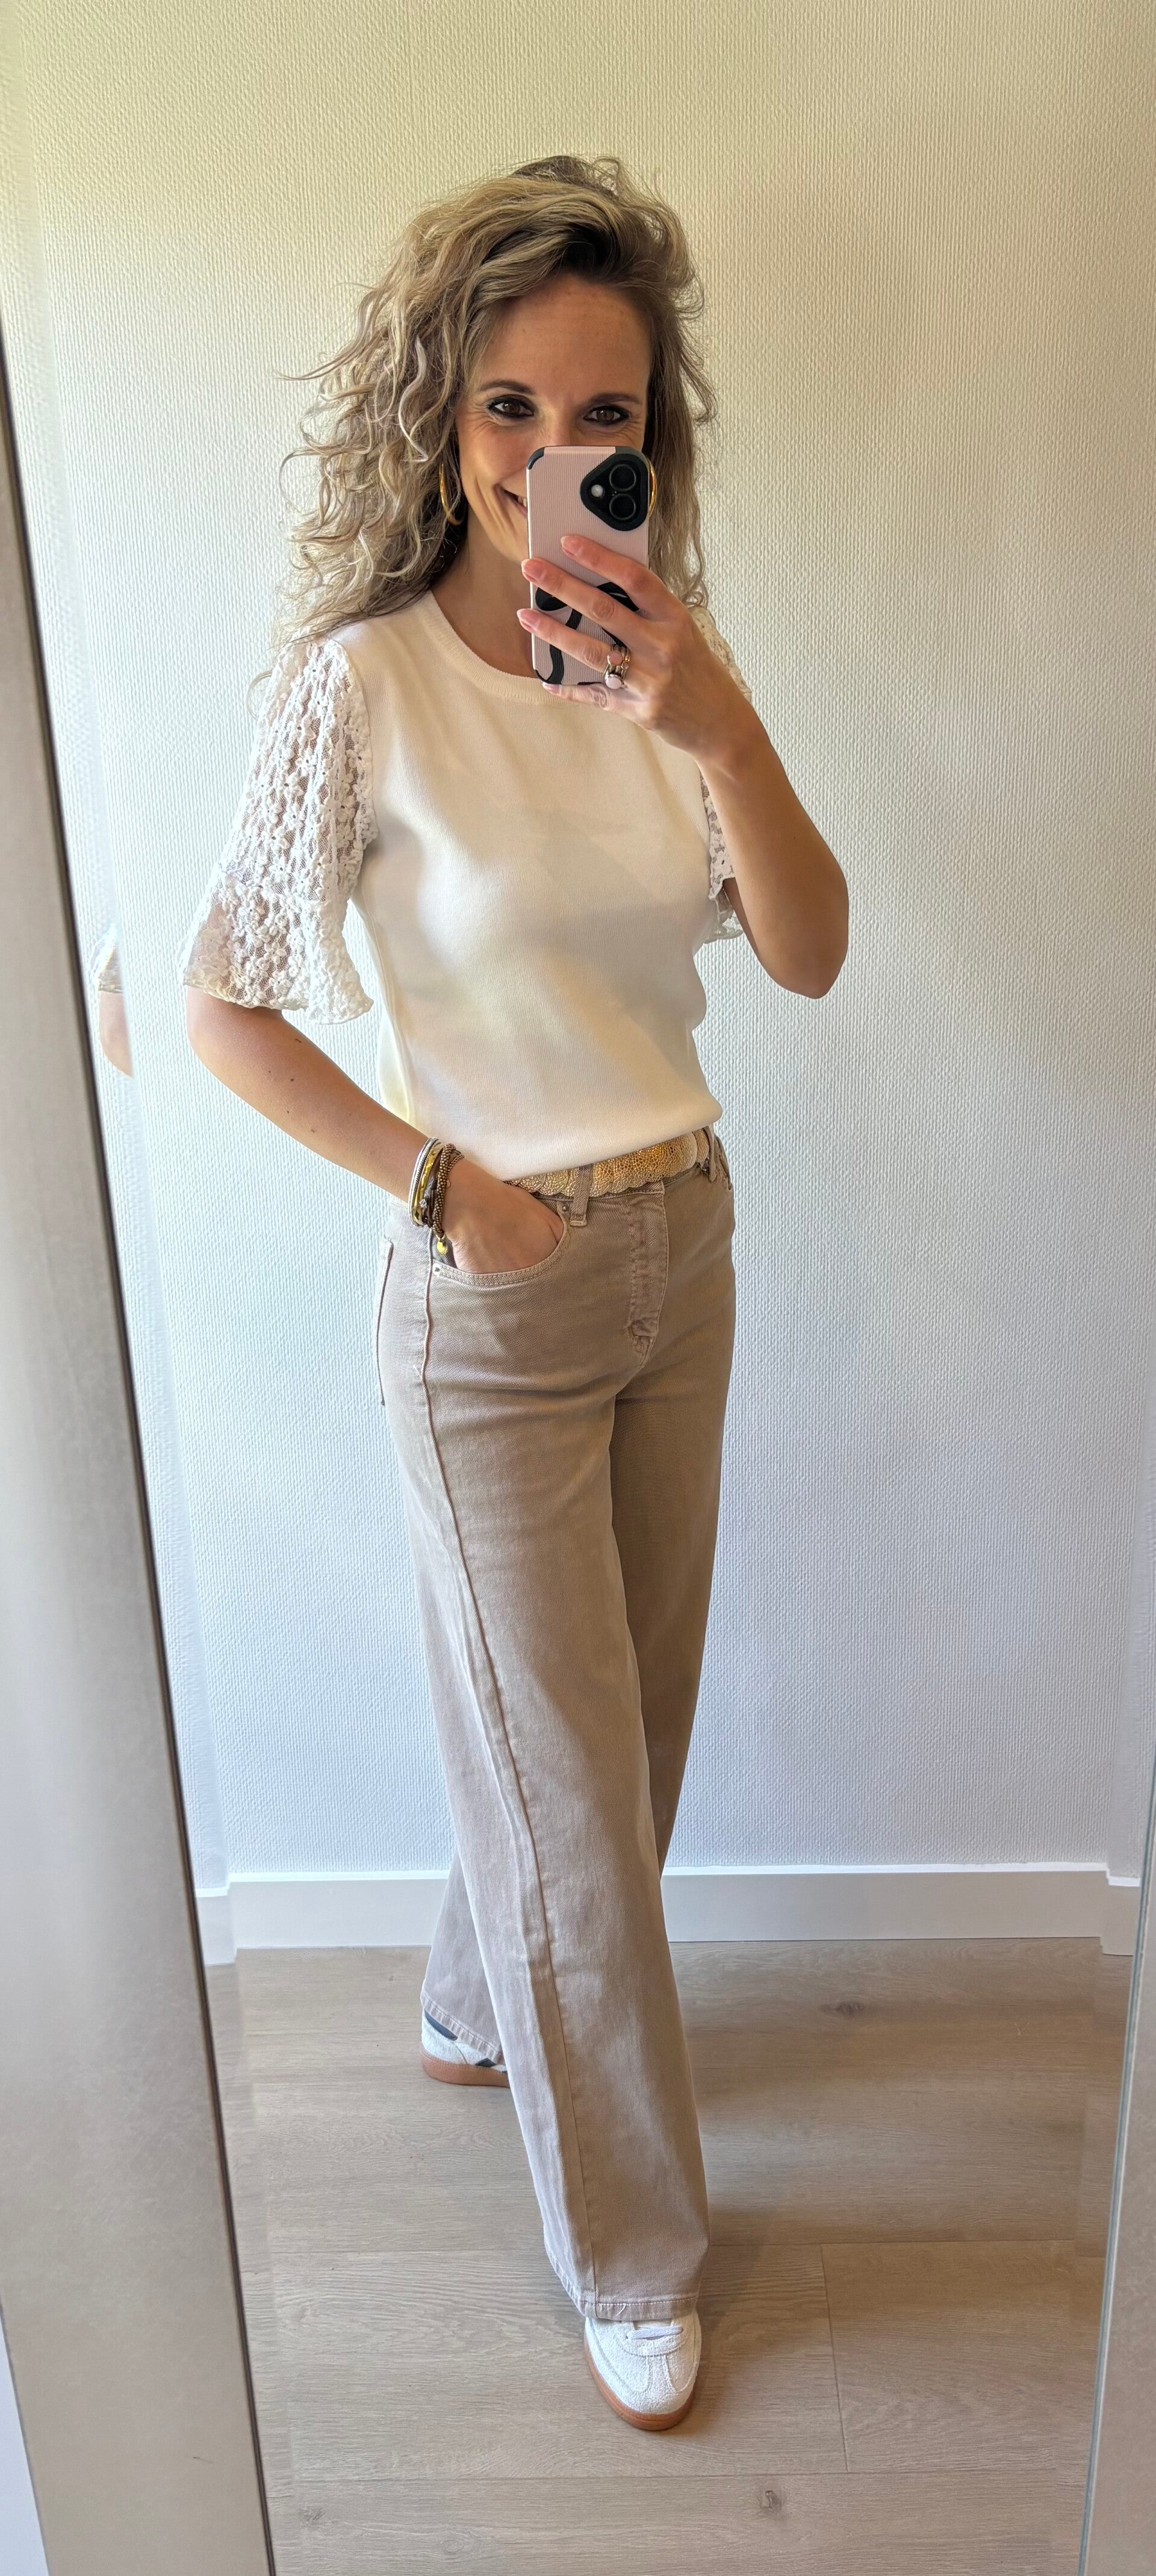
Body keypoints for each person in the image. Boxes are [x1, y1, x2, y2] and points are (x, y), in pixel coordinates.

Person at [181, 154, 847, 2432]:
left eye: (605, 411)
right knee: (568, 1786)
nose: (556, 450)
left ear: (653, 434)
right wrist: (439, 1184)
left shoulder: (671, 669)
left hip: (687, 1247)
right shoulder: (358, 688)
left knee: (622, 1740)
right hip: (496, 1297)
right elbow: (224, 1006)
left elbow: (812, 955)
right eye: (510, 408)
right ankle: (634, 2251)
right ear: (442, 419)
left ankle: (483, 1997)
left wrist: (719, 722)